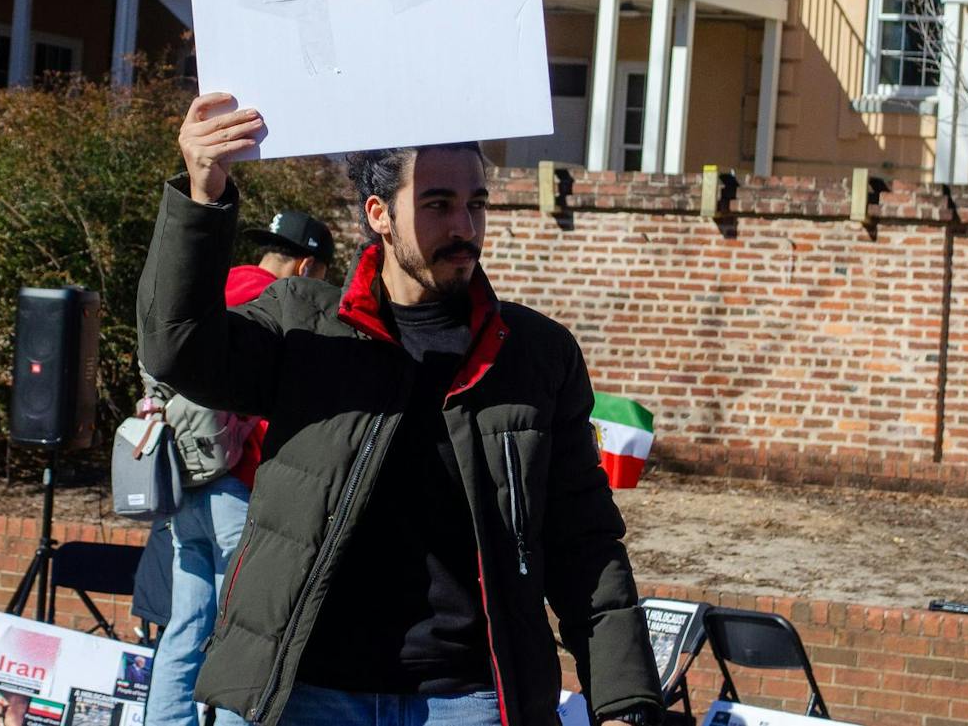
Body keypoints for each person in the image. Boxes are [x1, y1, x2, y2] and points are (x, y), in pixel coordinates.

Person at [135, 96, 666, 726]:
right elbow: (178, 348)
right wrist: (203, 193)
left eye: (476, 204)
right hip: (307, 693)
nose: (464, 226)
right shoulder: (303, 325)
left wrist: (623, 698)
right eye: (438, 204)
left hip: (469, 698)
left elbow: (583, 537)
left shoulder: (536, 355)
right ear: (379, 214)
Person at [141, 209, 336, 726]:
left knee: (187, 622)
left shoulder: (217, 288)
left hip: (185, 479)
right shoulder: (279, 305)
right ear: (307, 267)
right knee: (248, 629)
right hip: (238, 484)